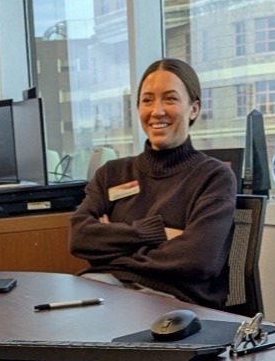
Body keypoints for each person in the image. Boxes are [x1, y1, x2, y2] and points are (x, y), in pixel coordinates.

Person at [69, 58, 237, 307]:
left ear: (194, 109)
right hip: (108, 286)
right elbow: (80, 238)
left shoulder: (213, 177)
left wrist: (113, 249)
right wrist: (154, 233)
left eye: (170, 99)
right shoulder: (111, 173)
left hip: (175, 302)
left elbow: (198, 259)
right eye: (147, 100)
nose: (157, 111)